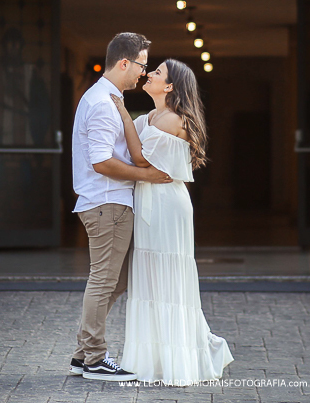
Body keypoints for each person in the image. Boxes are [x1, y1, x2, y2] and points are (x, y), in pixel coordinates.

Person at [110, 58, 234, 385]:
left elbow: (138, 157)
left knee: (167, 276)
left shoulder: (173, 120)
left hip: (166, 206)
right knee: (149, 278)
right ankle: (154, 359)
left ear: (169, 87)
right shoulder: (151, 116)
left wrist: (123, 112)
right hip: (150, 202)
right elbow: (124, 147)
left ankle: (176, 358)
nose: (149, 73)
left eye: (158, 72)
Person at [69, 33, 172, 381]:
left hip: (109, 203)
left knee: (116, 280)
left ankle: (84, 353)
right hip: (107, 203)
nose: (144, 73)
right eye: (142, 65)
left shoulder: (109, 99)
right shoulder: (101, 103)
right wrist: (146, 175)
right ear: (124, 63)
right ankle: (95, 359)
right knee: (103, 281)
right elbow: (100, 162)